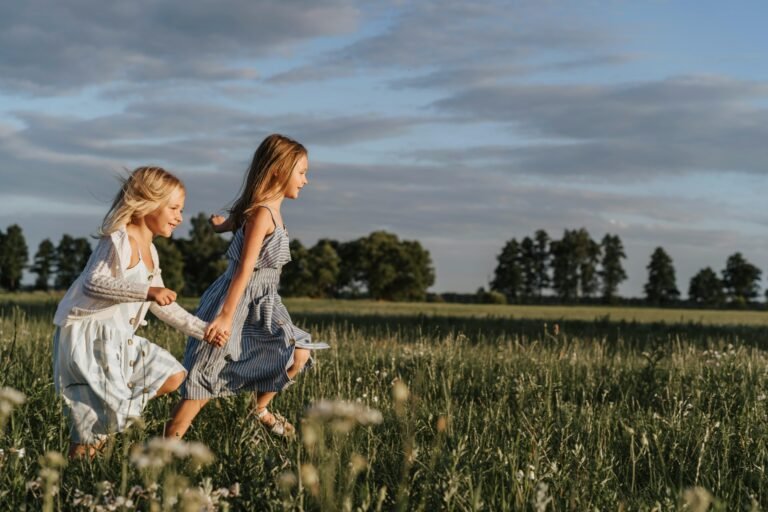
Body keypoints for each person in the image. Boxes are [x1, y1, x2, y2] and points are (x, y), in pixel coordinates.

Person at [52, 166, 223, 458]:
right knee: (96, 419)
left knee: (172, 375)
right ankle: (76, 472)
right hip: (89, 337)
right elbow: (94, 282)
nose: (180, 217)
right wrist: (146, 291)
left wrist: (203, 330)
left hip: (118, 340)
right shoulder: (118, 239)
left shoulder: (151, 252)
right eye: (173, 208)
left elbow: (163, 305)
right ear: (147, 203)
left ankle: (100, 429)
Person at [166, 134, 328, 440]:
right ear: (279, 170)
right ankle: (167, 445)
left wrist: (221, 225)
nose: (306, 180)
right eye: (302, 172)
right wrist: (226, 316)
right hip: (236, 300)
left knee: (298, 354)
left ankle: (259, 410)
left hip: (264, 301)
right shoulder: (262, 214)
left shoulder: (265, 211)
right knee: (205, 375)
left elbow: (237, 218)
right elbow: (244, 268)